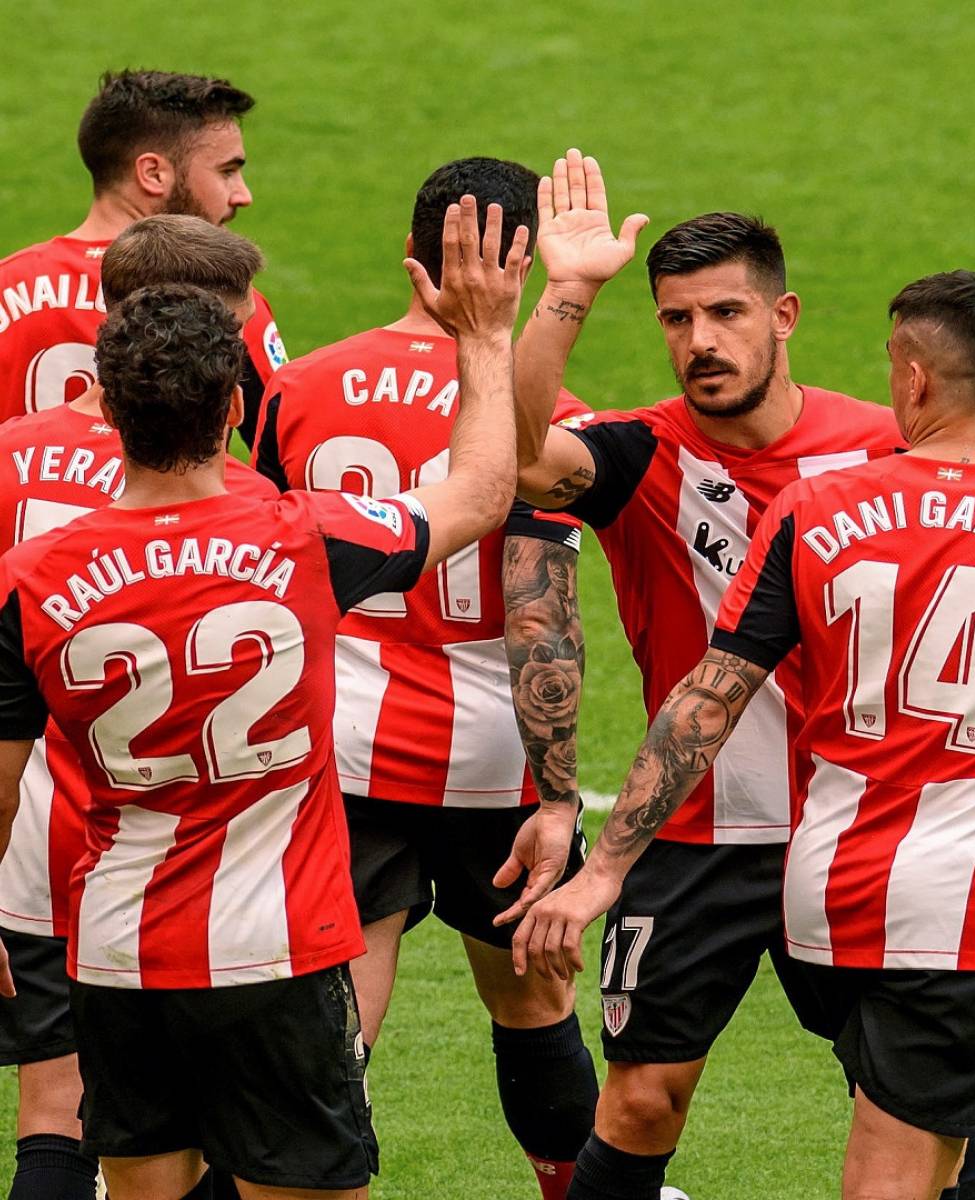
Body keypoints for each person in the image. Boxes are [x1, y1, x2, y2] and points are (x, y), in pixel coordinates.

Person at [513, 270, 975, 1200]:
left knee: (921, 1146)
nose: (700, 338)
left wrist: (601, 866)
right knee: (909, 1156)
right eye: (681, 317)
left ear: (910, 379)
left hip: (823, 882)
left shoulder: (818, 507)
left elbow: (709, 693)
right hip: (955, 907)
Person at [0, 194, 528, 1200]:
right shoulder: (308, 538)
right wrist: (488, 338)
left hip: (112, 948)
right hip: (276, 947)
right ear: (236, 406)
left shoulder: (28, 577)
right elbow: (481, 493)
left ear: (106, 408)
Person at [253, 156, 598, 1200]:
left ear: (415, 258)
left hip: (340, 754)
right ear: (525, 264)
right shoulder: (548, 412)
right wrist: (557, 791)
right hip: (496, 766)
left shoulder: (293, 388)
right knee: (535, 1007)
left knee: (339, 1015)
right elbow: (541, 615)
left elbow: (267, 566)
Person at [0, 213, 278, 1199]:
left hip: (25, 809)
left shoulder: (8, 450)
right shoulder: (237, 495)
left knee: (54, 1103)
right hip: (173, 831)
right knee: (197, 1120)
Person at [0, 69, 286, 446]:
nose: (242, 195)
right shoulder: (222, 295)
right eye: (227, 172)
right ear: (153, 174)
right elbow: (281, 448)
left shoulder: (7, 284)